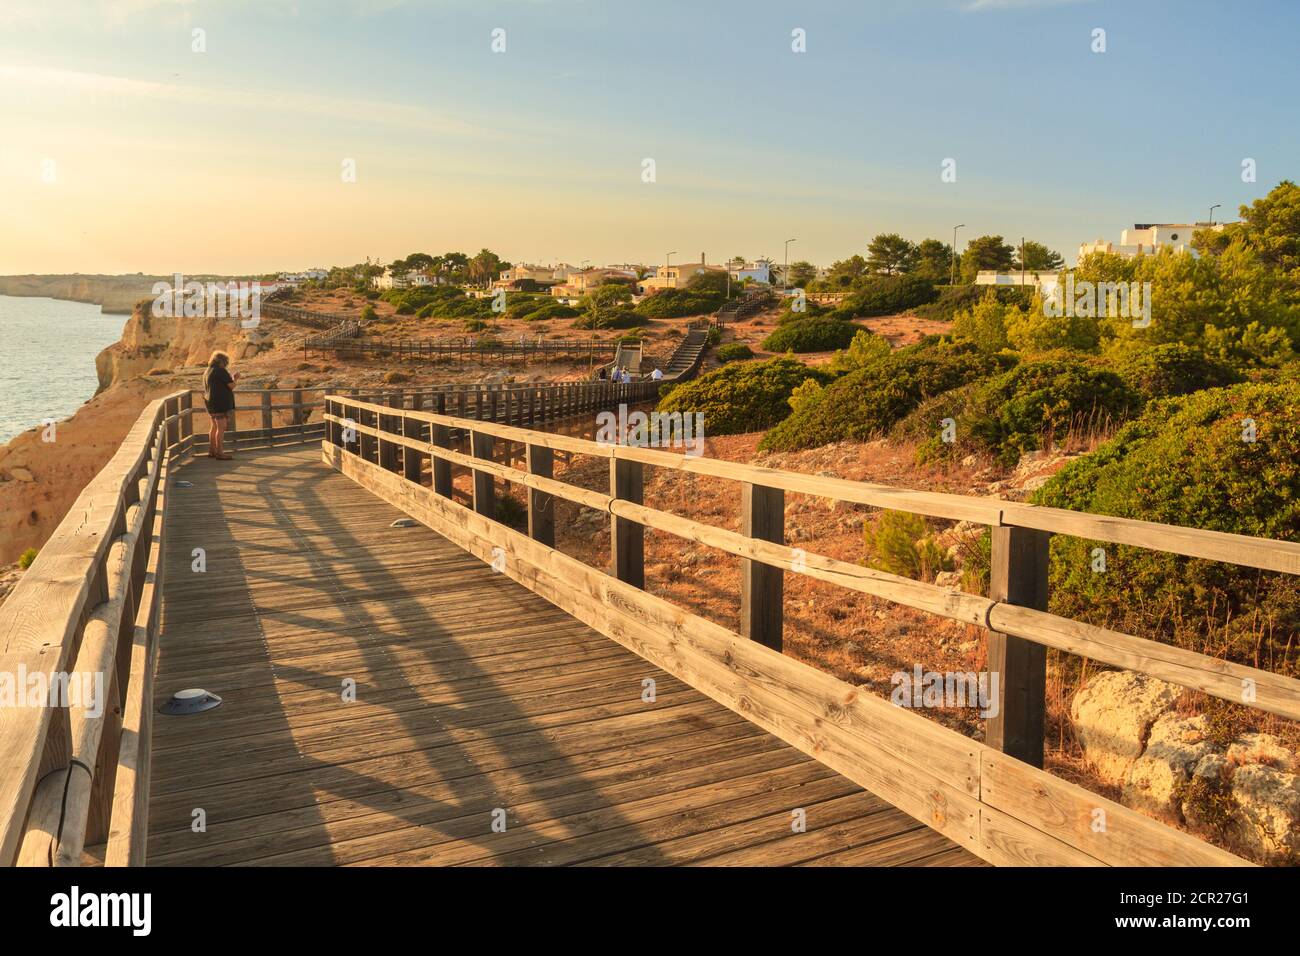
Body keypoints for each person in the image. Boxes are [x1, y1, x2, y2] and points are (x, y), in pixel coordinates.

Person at [203, 350, 239, 460]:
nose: (226, 363)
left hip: (210, 402)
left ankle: (212, 451)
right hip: (219, 403)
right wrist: (236, 378)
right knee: (221, 427)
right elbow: (232, 385)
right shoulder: (220, 371)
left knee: (214, 427)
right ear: (221, 361)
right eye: (225, 361)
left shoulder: (207, 371)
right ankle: (219, 453)